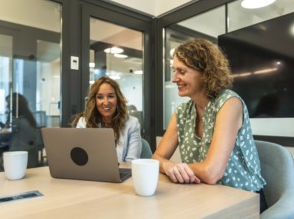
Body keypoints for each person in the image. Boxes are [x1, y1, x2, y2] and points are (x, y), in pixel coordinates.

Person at [152, 38, 267, 213]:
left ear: (206, 73)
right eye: (174, 71)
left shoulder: (229, 103)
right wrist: (170, 166)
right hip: (205, 196)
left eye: (181, 71)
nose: (174, 79)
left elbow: (212, 173)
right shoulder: (182, 112)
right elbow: (156, 159)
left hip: (243, 200)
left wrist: (179, 168)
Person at [71, 76, 142, 162]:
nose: (106, 102)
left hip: (121, 174)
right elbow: (79, 159)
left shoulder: (132, 124)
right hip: (90, 174)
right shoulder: (83, 123)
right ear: (94, 101)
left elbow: (131, 162)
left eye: (111, 96)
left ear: (118, 99)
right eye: (100, 97)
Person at [0, 93, 38, 171]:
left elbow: (3, 137)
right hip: (30, 156)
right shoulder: (29, 119)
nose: (7, 106)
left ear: (15, 106)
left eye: (8, 104)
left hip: (17, 157)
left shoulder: (16, 120)